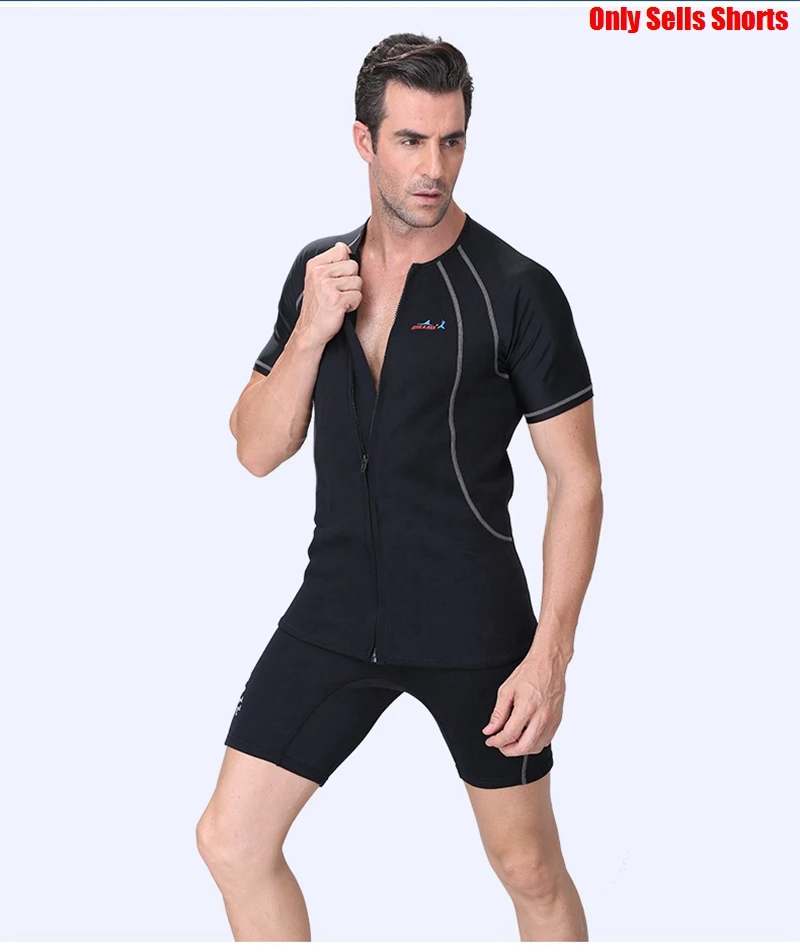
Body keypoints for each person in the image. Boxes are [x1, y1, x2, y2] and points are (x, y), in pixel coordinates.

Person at [196, 32, 602, 942]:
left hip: (474, 626)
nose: (434, 168)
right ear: (364, 141)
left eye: (451, 141)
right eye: (411, 141)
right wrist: (312, 329)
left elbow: (577, 481)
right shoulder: (320, 273)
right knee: (230, 841)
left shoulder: (516, 289)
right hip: (337, 612)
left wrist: (550, 657)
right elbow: (256, 449)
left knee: (530, 870)